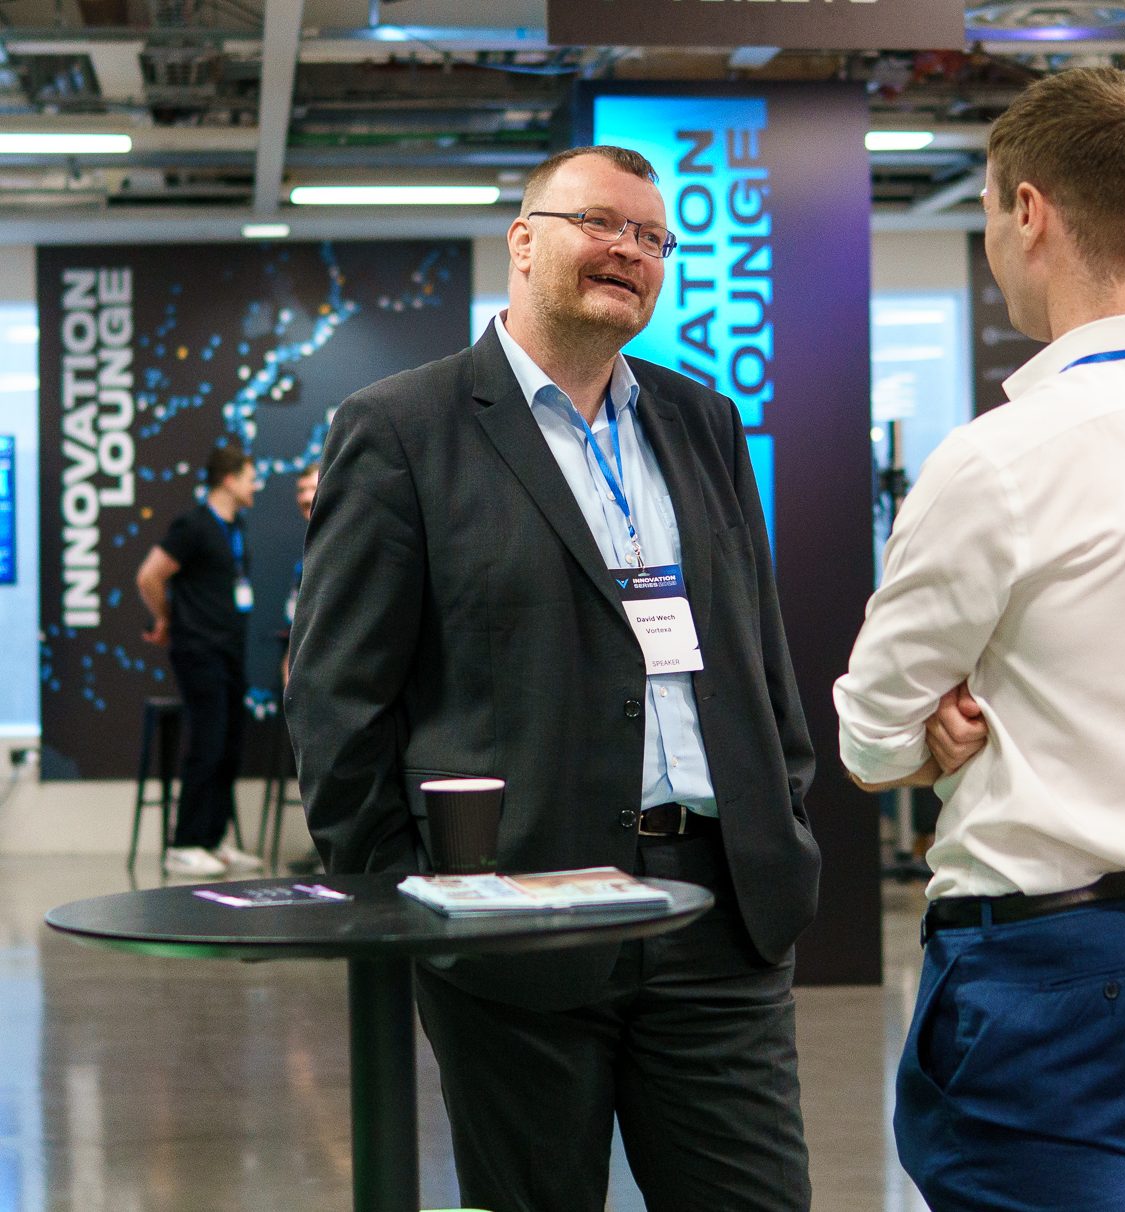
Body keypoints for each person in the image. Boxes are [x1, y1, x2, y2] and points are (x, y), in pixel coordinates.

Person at [285, 145, 818, 1212]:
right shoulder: (401, 430)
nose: (628, 249)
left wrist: (781, 811)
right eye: (600, 223)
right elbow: (338, 701)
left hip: (713, 917)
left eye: (651, 237)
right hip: (511, 926)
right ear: (523, 241)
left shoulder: (702, 423)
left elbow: (756, 649)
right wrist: (414, 900)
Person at [834, 67, 1125, 1210]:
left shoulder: (1000, 457)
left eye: (987, 211)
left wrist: (928, 735)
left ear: (1027, 211)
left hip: (1039, 976)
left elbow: (869, 734)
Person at [135, 444, 266, 878]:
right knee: (207, 743)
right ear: (229, 480)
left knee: (229, 745)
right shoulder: (192, 525)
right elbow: (149, 575)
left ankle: (212, 839)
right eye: (250, 477)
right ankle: (185, 843)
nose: (256, 485)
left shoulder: (236, 526)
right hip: (198, 649)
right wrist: (166, 619)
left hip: (229, 649)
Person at [279, 461, 318, 687]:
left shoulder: (339, 545)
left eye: (312, 489)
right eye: (301, 490)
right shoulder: (309, 547)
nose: (305, 498)